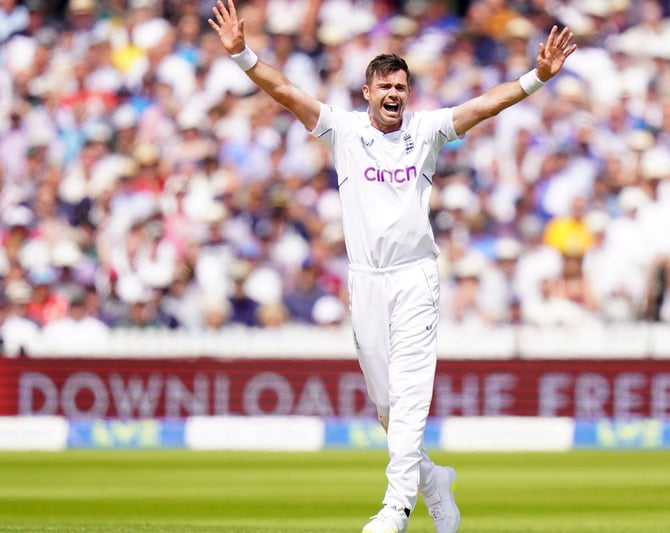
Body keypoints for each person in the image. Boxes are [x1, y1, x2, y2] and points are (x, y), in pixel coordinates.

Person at [208, 2, 576, 532]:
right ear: (367, 92)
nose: (393, 95)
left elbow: (483, 106)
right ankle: (435, 483)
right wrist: (242, 53)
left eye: (401, 87)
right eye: (384, 87)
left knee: (408, 402)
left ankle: (395, 509)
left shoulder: (425, 131)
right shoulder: (343, 131)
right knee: (387, 410)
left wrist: (536, 78)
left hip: (414, 278)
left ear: (409, 92)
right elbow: (286, 91)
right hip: (366, 282)